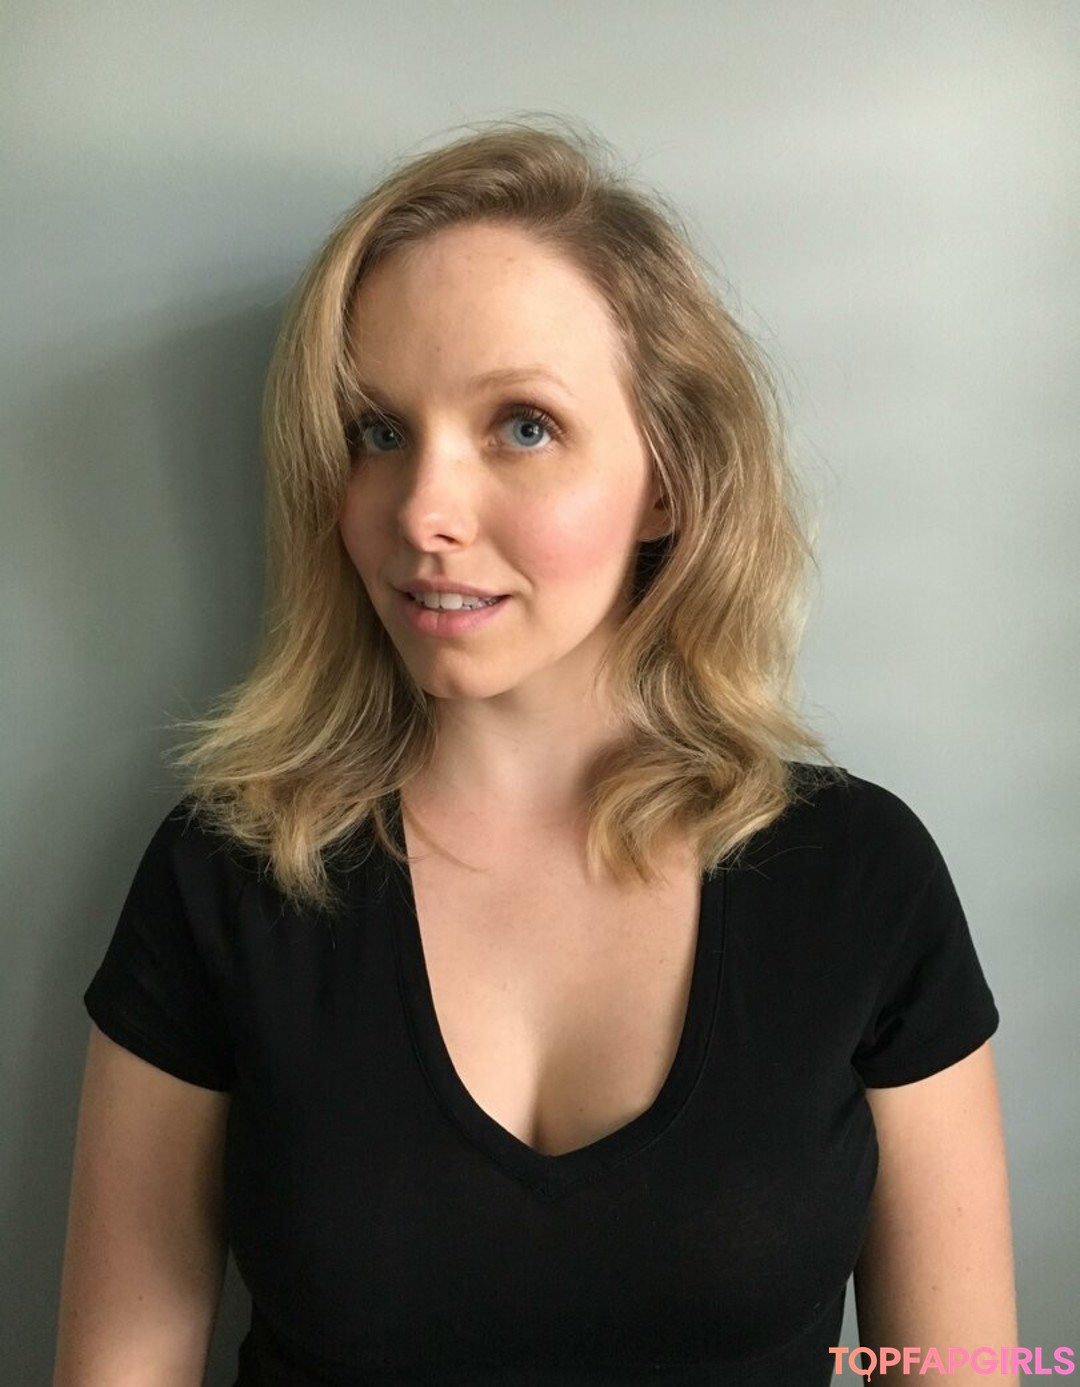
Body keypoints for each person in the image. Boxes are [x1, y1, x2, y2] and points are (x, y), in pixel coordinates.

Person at [53, 120, 1018, 1386]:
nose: (423, 512)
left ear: (667, 480)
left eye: (522, 427)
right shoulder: (227, 874)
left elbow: (956, 1366)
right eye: (377, 431)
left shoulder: (860, 879)